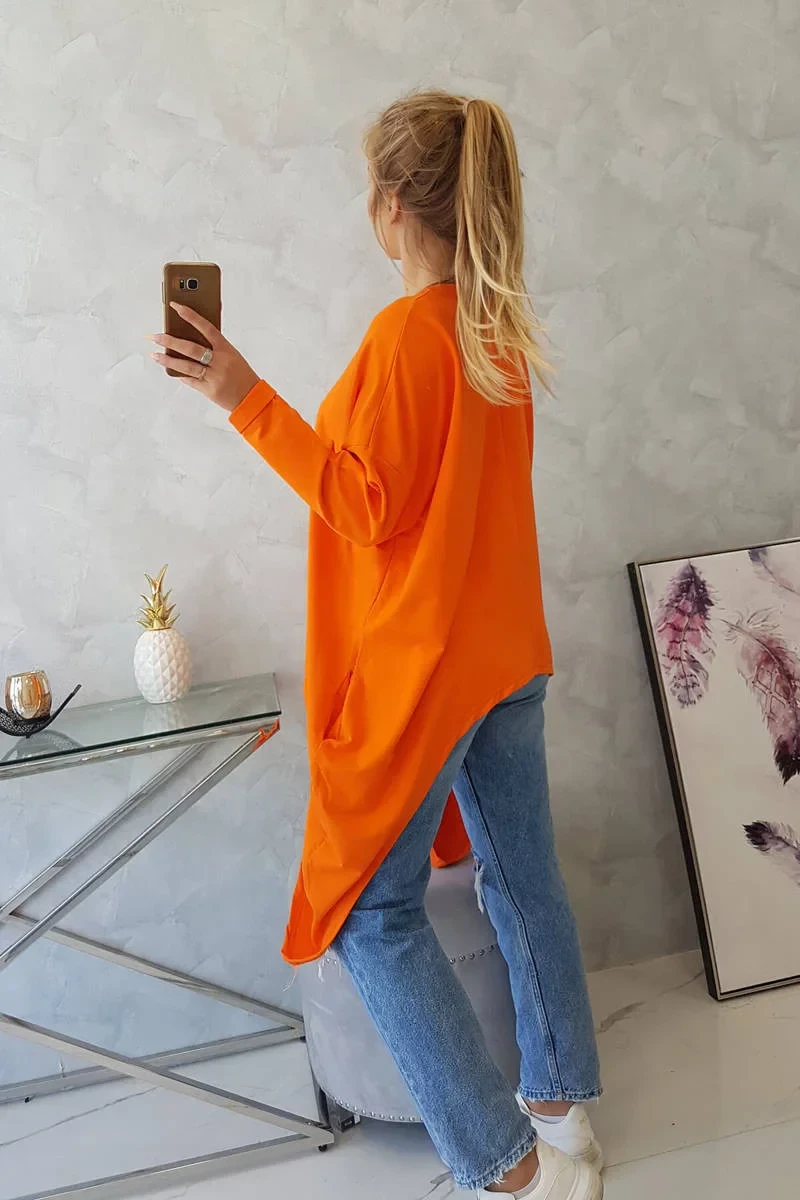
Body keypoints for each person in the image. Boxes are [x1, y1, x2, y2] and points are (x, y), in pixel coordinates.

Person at [149, 89, 602, 1200]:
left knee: (368, 913)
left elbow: (363, 506)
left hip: (432, 669)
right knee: (522, 880)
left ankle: (513, 1173)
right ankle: (565, 1120)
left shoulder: (407, 336)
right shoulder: (495, 330)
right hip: (507, 653)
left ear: (392, 204)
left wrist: (243, 396)